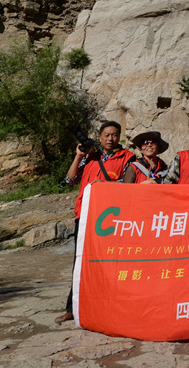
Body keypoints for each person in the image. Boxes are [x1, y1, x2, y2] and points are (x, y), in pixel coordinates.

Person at [56, 121, 134, 324]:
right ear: (100, 137)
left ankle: (109, 307)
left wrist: (105, 185)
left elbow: (128, 185)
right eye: (107, 135)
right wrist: (79, 155)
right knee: (80, 261)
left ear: (119, 137)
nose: (111, 138)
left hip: (111, 218)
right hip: (85, 214)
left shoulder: (127, 158)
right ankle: (72, 308)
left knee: (109, 262)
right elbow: (70, 180)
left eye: (115, 135)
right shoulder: (90, 157)